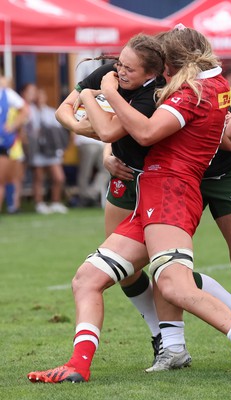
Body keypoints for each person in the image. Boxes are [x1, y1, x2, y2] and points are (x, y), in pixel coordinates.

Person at [27, 27, 231, 386]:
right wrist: (103, 130)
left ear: (168, 66)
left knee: (175, 286)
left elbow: (142, 132)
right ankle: (77, 365)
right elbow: (112, 130)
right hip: (151, 191)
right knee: (87, 279)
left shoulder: (195, 91)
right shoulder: (192, 87)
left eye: (129, 67)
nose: (118, 72)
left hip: (171, 193)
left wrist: (102, 94)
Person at [55, 33, 167, 360]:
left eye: (127, 67)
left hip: (157, 179)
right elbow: (65, 111)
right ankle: (159, 332)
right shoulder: (110, 71)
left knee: (166, 267)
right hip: (123, 177)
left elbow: (111, 126)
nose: (119, 70)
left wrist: (96, 101)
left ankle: (184, 335)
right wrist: (100, 144)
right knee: (123, 269)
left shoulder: (156, 88)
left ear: (152, 71)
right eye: (119, 63)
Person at [21, 84, 68, 214]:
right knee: (38, 177)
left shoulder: (50, 111)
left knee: (59, 177)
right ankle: (39, 203)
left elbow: (57, 131)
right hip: (37, 149)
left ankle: (56, 202)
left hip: (50, 149)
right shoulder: (29, 110)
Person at [0, 74, 27, 214]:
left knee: (12, 178)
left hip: (8, 143)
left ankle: (13, 205)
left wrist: (12, 127)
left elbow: (24, 111)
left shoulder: (8, 95)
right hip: (9, 143)